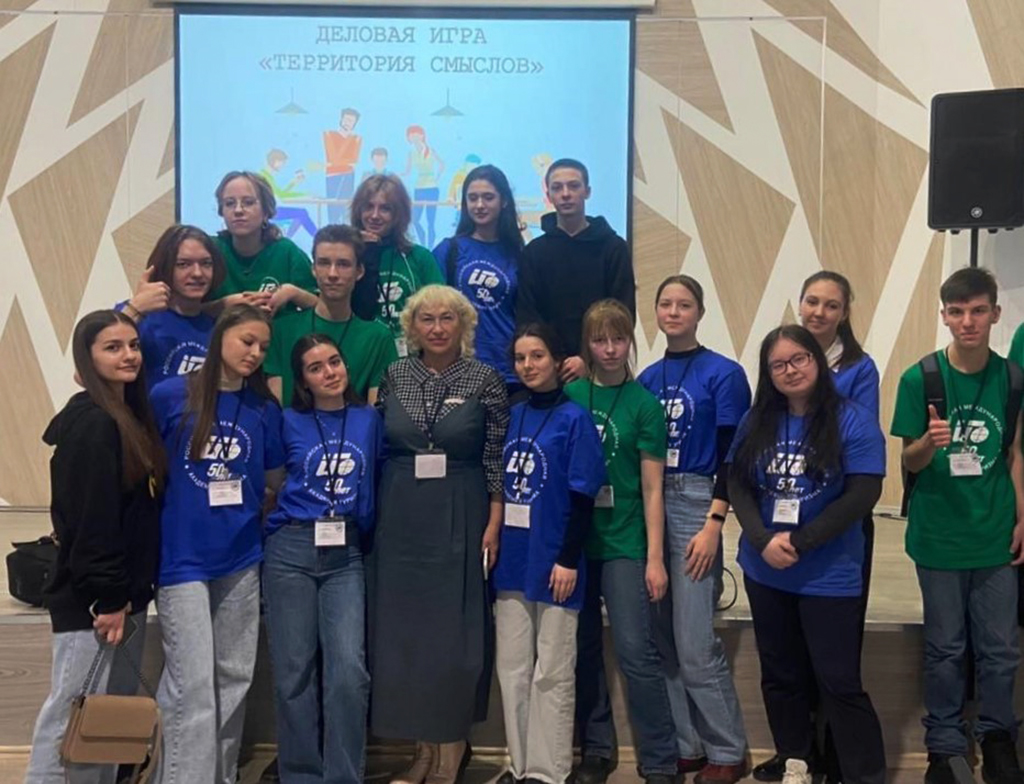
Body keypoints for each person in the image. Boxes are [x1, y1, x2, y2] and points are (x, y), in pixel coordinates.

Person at [727, 324, 886, 784]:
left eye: (799, 359)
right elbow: (737, 482)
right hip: (765, 570)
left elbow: (863, 493)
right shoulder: (756, 419)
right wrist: (762, 540)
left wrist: (800, 541)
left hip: (828, 574)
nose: (790, 370)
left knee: (838, 680)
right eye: (778, 364)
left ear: (817, 360)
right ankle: (795, 759)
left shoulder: (852, 418)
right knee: (779, 673)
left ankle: (863, 774)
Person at [370, 284, 509, 784]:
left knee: (453, 638)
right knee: (406, 637)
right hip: (400, 514)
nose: (436, 327)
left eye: (447, 318)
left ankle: (452, 752)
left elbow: (495, 457)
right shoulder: (394, 375)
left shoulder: (485, 379)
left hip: (462, 508)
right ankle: (422, 752)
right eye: (426, 319)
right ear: (412, 327)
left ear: (463, 325)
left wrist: (494, 521)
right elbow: (380, 446)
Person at [892, 267, 1024, 784]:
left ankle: (997, 737)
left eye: (977, 311)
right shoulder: (919, 378)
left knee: (1000, 649)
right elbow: (909, 460)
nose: (967, 321)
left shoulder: (1013, 379)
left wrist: (1022, 516)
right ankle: (945, 745)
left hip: (994, 534)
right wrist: (929, 442)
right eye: (957, 312)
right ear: (944, 316)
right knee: (945, 648)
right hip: (939, 537)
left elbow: (1014, 452)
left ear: (995, 314)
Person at [25, 310, 166, 784]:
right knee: (72, 716)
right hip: (94, 601)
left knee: (107, 722)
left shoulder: (127, 418)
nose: (128, 355)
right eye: (112, 347)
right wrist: (108, 598)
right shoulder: (93, 425)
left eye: (133, 345)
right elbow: (91, 520)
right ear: (86, 360)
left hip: (124, 596)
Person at [149, 304, 286, 784]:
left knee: (234, 678)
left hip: (241, 556)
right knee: (191, 685)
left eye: (263, 347)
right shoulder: (170, 395)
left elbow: (274, 478)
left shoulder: (263, 407)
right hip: (182, 558)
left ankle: (220, 775)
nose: (255, 353)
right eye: (247, 341)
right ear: (221, 336)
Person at [636, 276, 750, 783]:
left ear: (700, 312)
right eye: (666, 304)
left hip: (697, 501)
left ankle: (728, 749)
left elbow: (733, 454)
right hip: (651, 500)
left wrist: (714, 521)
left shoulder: (724, 374)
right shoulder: (647, 378)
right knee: (661, 638)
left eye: (684, 304)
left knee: (694, 642)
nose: (674, 311)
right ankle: (689, 745)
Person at [565, 299, 677, 784]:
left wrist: (655, 558)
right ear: (587, 344)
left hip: (625, 542)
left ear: (630, 341)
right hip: (576, 545)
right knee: (583, 648)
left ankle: (660, 759)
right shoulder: (570, 396)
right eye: (600, 340)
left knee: (636, 651)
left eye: (618, 339)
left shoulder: (644, 405)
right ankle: (595, 749)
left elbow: (652, 489)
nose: (610, 349)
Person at [264, 334, 382, 783]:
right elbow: (275, 480)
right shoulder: (287, 421)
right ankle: (300, 775)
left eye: (334, 361)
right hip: (291, 549)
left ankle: (343, 776)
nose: (330, 372)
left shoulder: (369, 419)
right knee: (294, 673)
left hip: (345, 554)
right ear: (303, 380)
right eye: (316, 368)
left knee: (349, 671)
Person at [493, 323, 606, 784]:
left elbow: (583, 496)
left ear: (557, 360)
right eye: (520, 358)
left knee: (552, 671)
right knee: (512, 668)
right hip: (513, 560)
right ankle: (519, 765)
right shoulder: (513, 414)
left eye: (537, 356)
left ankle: (547, 771)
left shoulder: (574, 418)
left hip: (556, 559)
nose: (528, 365)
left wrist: (567, 559)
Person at [517, 158, 635, 383]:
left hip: (603, 369)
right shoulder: (534, 252)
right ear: (549, 195)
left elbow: (623, 310)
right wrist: (552, 360)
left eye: (573, 186)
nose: (565, 194)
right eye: (557, 188)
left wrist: (587, 358)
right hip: (550, 371)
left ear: (587, 191)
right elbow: (528, 314)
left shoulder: (613, 247)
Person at [265, 224, 397, 406]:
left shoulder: (378, 339)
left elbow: (377, 414)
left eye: (343, 264)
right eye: (324, 263)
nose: (332, 274)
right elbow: (275, 407)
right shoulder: (281, 330)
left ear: (359, 271)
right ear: (313, 269)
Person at [433, 165, 522, 393]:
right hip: (459, 369)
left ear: (504, 201)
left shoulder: (519, 254)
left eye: (488, 197)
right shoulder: (449, 250)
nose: (479, 205)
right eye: (472, 198)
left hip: (509, 370)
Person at [117, 224, 225, 388]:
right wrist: (135, 309)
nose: (197, 273)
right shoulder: (137, 314)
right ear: (165, 267)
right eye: (183, 264)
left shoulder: (217, 326)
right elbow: (86, 374)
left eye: (206, 263)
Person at [349, 174, 444, 352]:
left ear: (398, 215)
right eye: (368, 207)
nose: (374, 215)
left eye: (385, 209)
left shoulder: (419, 257)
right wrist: (367, 250)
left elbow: (441, 311)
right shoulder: (346, 258)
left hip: (412, 357)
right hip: (362, 354)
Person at [210, 171, 318, 315]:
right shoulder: (211, 250)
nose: (238, 210)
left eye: (248, 202)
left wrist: (294, 293)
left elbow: (322, 306)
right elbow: (187, 309)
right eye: (229, 203)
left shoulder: (286, 252)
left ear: (266, 211)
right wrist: (223, 305)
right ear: (221, 211)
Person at [798, 271, 879, 416]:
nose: (819, 313)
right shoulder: (779, 358)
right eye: (812, 302)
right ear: (800, 306)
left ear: (844, 314)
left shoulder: (861, 368)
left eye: (832, 306)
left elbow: (866, 425)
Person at [260, 148, 317, 240]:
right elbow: (282, 195)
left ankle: (288, 237)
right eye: (282, 163)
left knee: (301, 214)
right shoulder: (265, 177)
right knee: (302, 213)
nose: (282, 166)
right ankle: (317, 236)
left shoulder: (267, 175)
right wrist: (304, 195)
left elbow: (281, 193)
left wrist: (294, 183)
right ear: (275, 161)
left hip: (270, 210)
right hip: (270, 211)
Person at [404, 125, 444, 248]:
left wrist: (436, 178)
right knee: (415, 219)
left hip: (432, 188)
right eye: (411, 135)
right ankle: (422, 242)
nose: (414, 137)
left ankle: (431, 246)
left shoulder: (431, 150)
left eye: (416, 134)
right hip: (419, 188)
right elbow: (407, 171)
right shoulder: (411, 153)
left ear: (422, 136)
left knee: (430, 220)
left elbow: (441, 165)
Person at [324, 107, 362, 222]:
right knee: (333, 210)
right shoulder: (328, 134)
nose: (347, 123)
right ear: (341, 119)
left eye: (351, 121)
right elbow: (332, 157)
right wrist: (343, 162)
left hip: (348, 175)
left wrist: (338, 162)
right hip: (332, 175)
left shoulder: (357, 138)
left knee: (346, 209)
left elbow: (353, 160)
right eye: (346, 119)